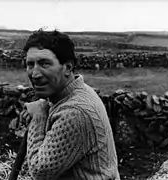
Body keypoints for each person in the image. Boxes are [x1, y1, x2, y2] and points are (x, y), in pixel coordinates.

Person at [20, 29, 120, 180]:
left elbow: (39, 172)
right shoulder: (77, 91)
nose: (35, 74)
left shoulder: (75, 111)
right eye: (30, 64)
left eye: (44, 64)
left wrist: (39, 118)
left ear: (67, 67)